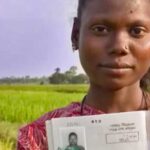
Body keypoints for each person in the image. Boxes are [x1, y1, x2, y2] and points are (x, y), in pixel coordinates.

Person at [17, 0, 150, 149]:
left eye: (137, 31)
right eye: (100, 29)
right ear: (76, 34)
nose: (119, 46)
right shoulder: (40, 139)